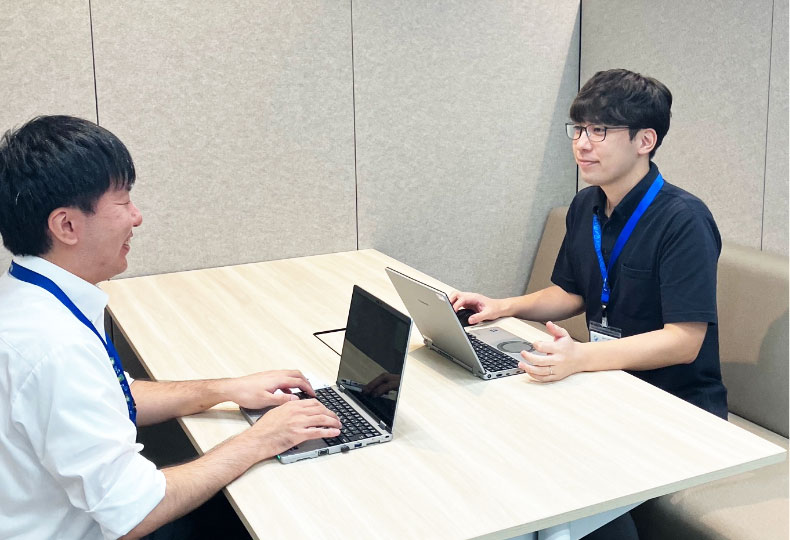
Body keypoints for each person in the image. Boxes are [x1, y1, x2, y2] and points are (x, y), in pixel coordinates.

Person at [0, 115, 342, 540]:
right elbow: (133, 514)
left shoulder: (27, 296)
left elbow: (113, 394)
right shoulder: (55, 346)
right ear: (66, 225)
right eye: (123, 202)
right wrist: (262, 438)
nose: (137, 217)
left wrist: (225, 390)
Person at [451, 69, 728, 539]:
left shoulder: (684, 220)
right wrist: (503, 306)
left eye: (600, 130)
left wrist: (580, 357)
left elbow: (684, 341)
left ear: (645, 140)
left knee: (557, 497)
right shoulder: (586, 206)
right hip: (605, 387)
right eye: (579, 129)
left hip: (674, 406)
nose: (582, 144)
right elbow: (572, 293)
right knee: (504, 459)